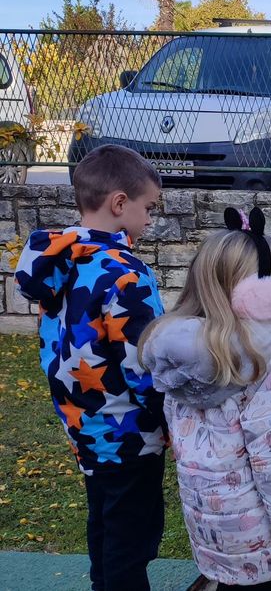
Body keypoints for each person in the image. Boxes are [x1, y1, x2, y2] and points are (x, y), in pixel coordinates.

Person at [139, 208, 271, 590]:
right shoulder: (266, 363)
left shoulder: (171, 352)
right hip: (261, 534)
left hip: (210, 526)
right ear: (256, 294)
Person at [14, 144, 166, 591]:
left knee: (104, 523)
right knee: (130, 541)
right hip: (129, 431)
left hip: (82, 422)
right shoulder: (127, 273)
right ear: (120, 203)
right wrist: (166, 417)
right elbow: (144, 362)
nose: (150, 219)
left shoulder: (60, 261)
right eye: (148, 208)